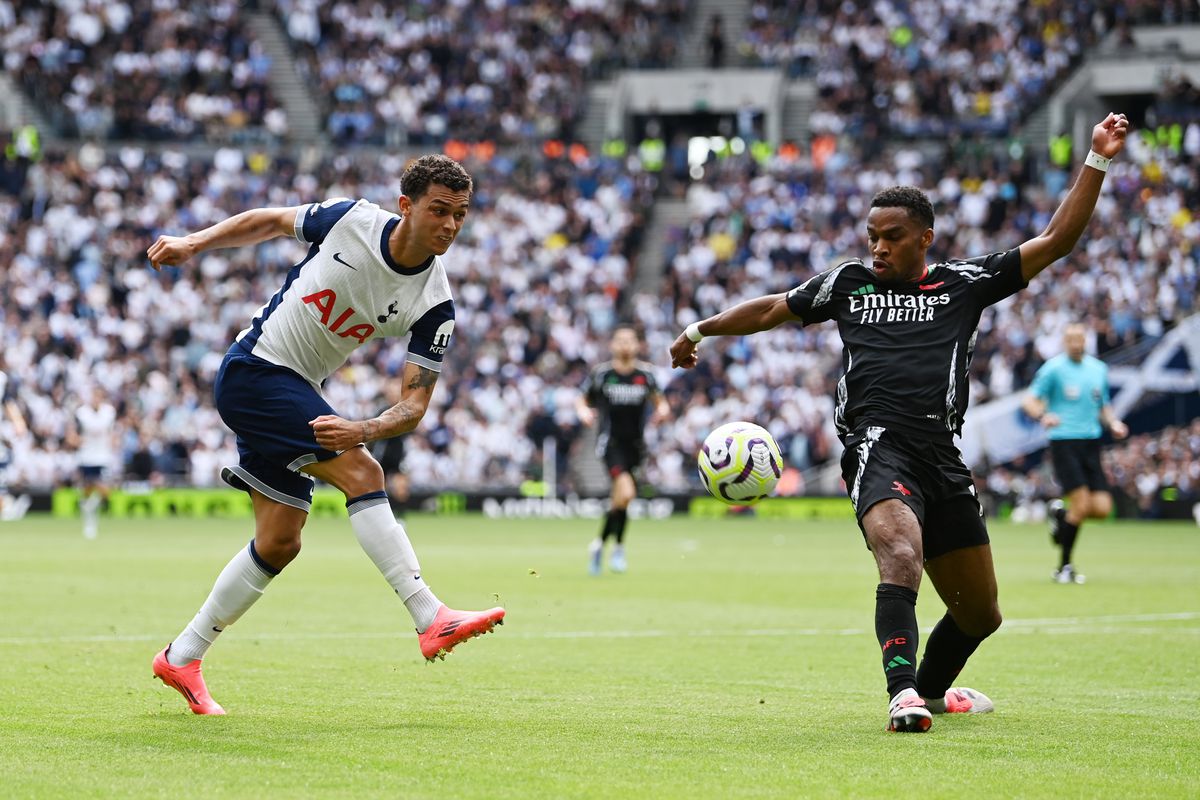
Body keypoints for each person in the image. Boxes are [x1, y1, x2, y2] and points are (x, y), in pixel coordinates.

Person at [670, 113, 1129, 733]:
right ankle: (904, 693)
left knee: (980, 614)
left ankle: (934, 690)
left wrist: (1097, 159)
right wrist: (699, 330)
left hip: (940, 451)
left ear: (924, 239)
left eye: (890, 236)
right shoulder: (848, 283)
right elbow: (774, 308)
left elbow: (1055, 242)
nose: (877, 247)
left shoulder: (966, 284)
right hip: (875, 442)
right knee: (900, 552)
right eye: (871, 236)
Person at [145, 154, 504, 716]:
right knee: (364, 472)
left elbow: (415, 405)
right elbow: (267, 221)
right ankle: (428, 615)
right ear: (406, 206)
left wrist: (361, 427)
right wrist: (194, 243)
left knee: (280, 542)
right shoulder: (352, 220)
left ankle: (182, 656)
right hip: (256, 370)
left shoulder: (434, 303)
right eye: (439, 211)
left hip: (292, 388)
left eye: (461, 214)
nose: (451, 226)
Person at [1022, 324, 1127, 583]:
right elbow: (1030, 400)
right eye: (1070, 339)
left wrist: (1113, 423)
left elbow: (1103, 405)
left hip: (1090, 443)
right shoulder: (1054, 369)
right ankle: (1064, 568)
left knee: (1102, 508)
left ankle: (1060, 516)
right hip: (1064, 441)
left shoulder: (1098, 370)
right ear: (1064, 342)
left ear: (1086, 341)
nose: (1075, 344)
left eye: (1079, 339)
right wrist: (1043, 416)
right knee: (1080, 504)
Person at [577, 325, 669, 575]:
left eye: (630, 340)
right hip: (611, 443)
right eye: (621, 340)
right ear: (613, 345)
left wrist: (662, 411)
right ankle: (617, 549)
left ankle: (599, 546)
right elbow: (582, 399)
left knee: (620, 502)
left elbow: (661, 402)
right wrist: (584, 412)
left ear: (638, 345)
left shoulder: (646, 375)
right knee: (626, 492)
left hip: (636, 446)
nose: (626, 345)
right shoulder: (603, 374)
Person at [71, 388, 117, 539]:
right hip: (86, 456)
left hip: (103, 457)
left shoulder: (109, 412)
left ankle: (91, 507)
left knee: (103, 488)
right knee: (87, 490)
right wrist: (77, 441)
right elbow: (72, 434)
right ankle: (90, 521)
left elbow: (113, 432)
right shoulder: (82, 413)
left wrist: (114, 444)